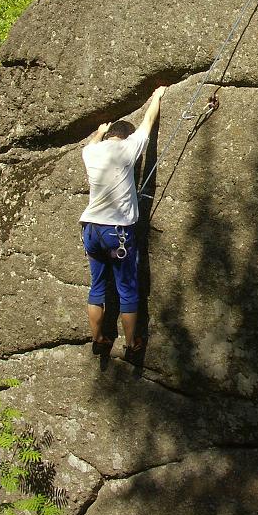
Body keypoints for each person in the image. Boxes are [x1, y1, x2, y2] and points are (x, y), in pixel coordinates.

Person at [79, 85, 166, 362]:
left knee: (97, 286)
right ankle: (131, 343)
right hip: (116, 232)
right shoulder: (129, 148)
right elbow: (148, 124)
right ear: (125, 137)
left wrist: (100, 130)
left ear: (110, 135)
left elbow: (90, 143)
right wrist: (157, 97)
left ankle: (98, 338)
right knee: (127, 286)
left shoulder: (91, 153)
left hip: (90, 229)